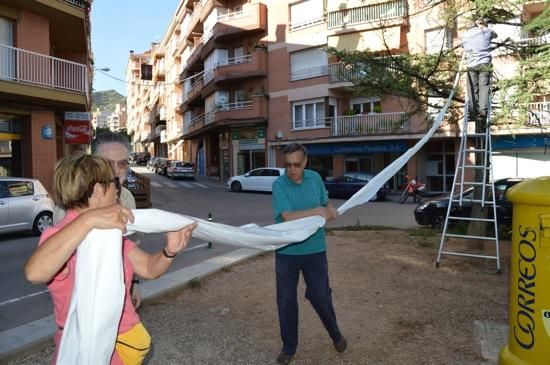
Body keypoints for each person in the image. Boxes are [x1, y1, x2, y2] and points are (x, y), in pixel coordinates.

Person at [25, 153, 196, 365]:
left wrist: (170, 251)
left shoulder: (109, 232)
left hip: (120, 350)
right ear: (98, 190)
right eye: (113, 182)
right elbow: (35, 273)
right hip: (91, 351)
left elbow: (149, 268)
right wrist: (87, 220)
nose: (118, 189)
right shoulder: (61, 236)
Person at [271, 143, 346, 365]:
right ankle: (289, 347)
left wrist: (330, 208)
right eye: (287, 165)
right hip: (287, 251)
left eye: (296, 164)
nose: (292, 170)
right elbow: (286, 216)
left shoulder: (315, 178)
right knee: (286, 301)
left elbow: (325, 203)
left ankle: (335, 334)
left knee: (320, 295)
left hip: (315, 249)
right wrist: (316, 211)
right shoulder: (279, 184)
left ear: (305, 162)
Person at [53, 131, 145, 309]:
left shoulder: (127, 199)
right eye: (107, 164)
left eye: (122, 164)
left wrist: (134, 283)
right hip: (80, 300)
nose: (116, 171)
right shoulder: (69, 203)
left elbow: (132, 247)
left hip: (119, 293)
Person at [461, 17, 498, 121]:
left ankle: (473, 112)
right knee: (484, 87)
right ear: (476, 25)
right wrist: (483, 26)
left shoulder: (465, 35)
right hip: (485, 63)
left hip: (471, 65)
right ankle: (483, 112)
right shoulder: (485, 31)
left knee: (472, 88)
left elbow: (462, 46)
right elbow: (495, 35)